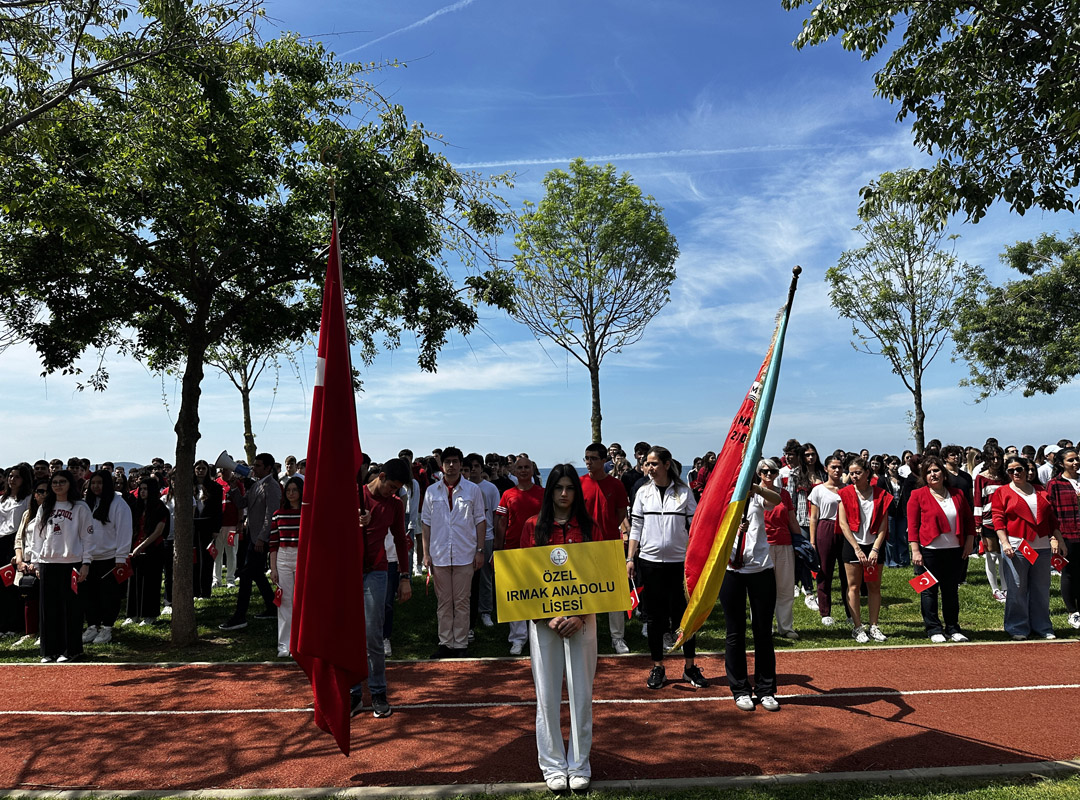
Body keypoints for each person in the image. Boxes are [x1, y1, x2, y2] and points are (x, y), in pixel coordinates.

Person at [519, 464, 597, 792]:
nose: (564, 494)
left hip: (584, 621)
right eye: (558, 488)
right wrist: (546, 616)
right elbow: (523, 576)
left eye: (570, 488)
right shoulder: (532, 527)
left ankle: (580, 763)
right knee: (547, 696)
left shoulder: (590, 527)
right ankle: (552, 765)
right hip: (543, 623)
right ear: (549, 491)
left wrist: (581, 615)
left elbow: (601, 577)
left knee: (581, 694)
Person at [627, 446, 705, 690]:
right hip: (649, 563)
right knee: (655, 619)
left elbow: (695, 528)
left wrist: (697, 559)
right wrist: (631, 558)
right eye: (646, 464)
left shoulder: (684, 492)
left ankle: (690, 667)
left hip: (680, 564)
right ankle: (658, 667)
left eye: (653, 463)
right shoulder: (642, 493)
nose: (649, 468)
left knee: (684, 616)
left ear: (666, 464)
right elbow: (636, 528)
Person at [350, 458, 413, 717]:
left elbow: (400, 539)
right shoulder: (354, 496)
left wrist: (405, 576)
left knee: (373, 635)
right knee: (350, 635)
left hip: (377, 571)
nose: (393, 492)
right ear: (382, 476)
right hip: (348, 571)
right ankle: (353, 693)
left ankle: (378, 692)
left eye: (398, 489)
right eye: (392, 487)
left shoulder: (395, 505)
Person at [721, 463, 782, 711]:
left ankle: (766, 689)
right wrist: (733, 527)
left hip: (761, 569)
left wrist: (754, 487)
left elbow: (776, 499)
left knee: (763, 631)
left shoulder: (757, 495)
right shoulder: (722, 495)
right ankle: (740, 689)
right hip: (731, 570)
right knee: (735, 632)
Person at [992, 455, 1068, 640]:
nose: (1016, 473)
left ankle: (1042, 626)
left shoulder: (1040, 491)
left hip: (1041, 547)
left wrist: (1059, 540)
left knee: (1041, 588)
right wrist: (1005, 542)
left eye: (1019, 469)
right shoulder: (1002, 492)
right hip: (1017, 546)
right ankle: (1017, 627)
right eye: (1011, 471)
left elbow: (1051, 519)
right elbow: (998, 520)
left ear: (1027, 470)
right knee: (1017, 587)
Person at [421, 447, 485, 657]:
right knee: (444, 602)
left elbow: (480, 521)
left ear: (460, 464)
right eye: (447, 461)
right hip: (439, 555)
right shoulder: (432, 491)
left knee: (462, 600)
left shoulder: (472, 490)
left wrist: (480, 551)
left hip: (465, 554)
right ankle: (445, 643)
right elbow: (426, 524)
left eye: (455, 461)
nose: (451, 465)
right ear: (442, 465)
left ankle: (461, 644)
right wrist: (426, 553)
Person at [24, 470, 93, 661]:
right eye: (55, 482)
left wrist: (86, 563)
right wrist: (36, 562)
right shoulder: (45, 506)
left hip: (72, 562)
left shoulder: (80, 507)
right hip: (48, 563)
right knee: (49, 610)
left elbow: (87, 537)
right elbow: (37, 538)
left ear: (70, 484)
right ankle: (49, 651)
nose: (58, 485)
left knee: (70, 610)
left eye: (62, 482)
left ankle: (69, 650)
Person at [907, 456, 976, 642]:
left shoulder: (958, 494)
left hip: (955, 550)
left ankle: (953, 628)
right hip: (928, 550)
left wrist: (969, 541)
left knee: (951, 591)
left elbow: (969, 520)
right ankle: (933, 629)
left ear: (943, 474)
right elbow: (913, 526)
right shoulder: (918, 495)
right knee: (928, 590)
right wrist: (915, 551)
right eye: (928, 472)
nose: (933, 474)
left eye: (936, 470)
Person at [220, 453, 281, 631]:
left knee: (246, 575)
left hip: (259, 539)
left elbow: (272, 515)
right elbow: (242, 503)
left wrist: (263, 537)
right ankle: (272, 607)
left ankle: (240, 616)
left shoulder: (272, 486)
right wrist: (233, 489)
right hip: (254, 538)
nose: (254, 468)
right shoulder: (257, 485)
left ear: (268, 468)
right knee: (256, 574)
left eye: (258, 465)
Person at [581, 442, 631, 654]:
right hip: (583, 547)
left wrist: (609, 528)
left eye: (593, 458)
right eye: (587, 458)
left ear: (604, 461)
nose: (589, 463)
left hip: (610, 545)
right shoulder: (579, 483)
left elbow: (621, 513)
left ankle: (617, 637)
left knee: (616, 594)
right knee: (584, 593)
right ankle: (585, 635)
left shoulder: (616, 485)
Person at [838, 457, 893, 643]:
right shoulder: (844, 493)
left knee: (874, 586)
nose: (854, 476)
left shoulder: (881, 494)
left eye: (858, 472)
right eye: (851, 473)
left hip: (874, 545)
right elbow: (843, 524)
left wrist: (875, 549)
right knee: (853, 586)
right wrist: (857, 549)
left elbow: (884, 526)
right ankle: (857, 627)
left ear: (867, 473)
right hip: (852, 545)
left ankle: (874, 626)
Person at [495, 455, 546, 655]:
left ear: (532, 470)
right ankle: (517, 639)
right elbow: (500, 522)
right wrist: (498, 550)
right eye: (520, 468)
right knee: (515, 596)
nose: (523, 471)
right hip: (512, 549)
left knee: (537, 593)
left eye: (527, 467)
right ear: (514, 471)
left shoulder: (543, 493)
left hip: (537, 550)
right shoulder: (507, 494)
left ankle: (538, 635)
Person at [81, 470, 133, 645]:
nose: (96, 486)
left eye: (100, 483)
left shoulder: (118, 504)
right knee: (89, 595)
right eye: (93, 483)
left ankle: (107, 627)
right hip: (88, 558)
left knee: (109, 595)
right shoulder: (85, 504)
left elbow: (125, 531)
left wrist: (121, 557)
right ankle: (92, 625)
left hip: (110, 558)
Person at [762, 459, 802, 640]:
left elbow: (792, 520)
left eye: (772, 471)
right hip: (762, 547)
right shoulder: (754, 493)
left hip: (784, 543)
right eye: (764, 471)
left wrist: (801, 543)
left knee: (785, 587)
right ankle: (763, 626)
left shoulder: (784, 495)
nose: (769, 474)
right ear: (759, 473)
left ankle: (785, 627)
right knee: (763, 589)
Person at [808, 455, 849, 626]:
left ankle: (850, 611)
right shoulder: (818, 490)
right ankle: (825, 611)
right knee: (825, 571)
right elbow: (814, 517)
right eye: (833, 467)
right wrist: (812, 540)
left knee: (847, 572)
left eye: (840, 467)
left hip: (845, 529)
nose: (837, 470)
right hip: (825, 528)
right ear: (826, 469)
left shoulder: (847, 488)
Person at [126, 477, 169, 625]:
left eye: (145, 489)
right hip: (134, 549)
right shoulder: (135, 507)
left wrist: (141, 546)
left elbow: (158, 531)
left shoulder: (160, 508)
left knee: (151, 583)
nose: (142, 492)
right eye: (141, 489)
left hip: (153, 550)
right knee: (134, 582)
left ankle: (150, 615)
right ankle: (133, 614)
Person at [269, 476, 303, 658]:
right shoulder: (278, 514)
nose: (291, 494)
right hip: (283, 557)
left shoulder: (307, 513)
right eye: (288, 490)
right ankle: (284, 645)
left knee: (302, 602)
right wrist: (273, 568)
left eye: (294, 490)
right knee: (285, 603)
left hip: (301, 557)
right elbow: (273, 543)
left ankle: (301, 643)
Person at [1046, 447, 1080, 628]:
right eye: (1071, 460)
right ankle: (1072, 611)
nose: (1075, 463)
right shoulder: (1055, 484)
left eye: (1077, 459)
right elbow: (1050, 512)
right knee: (1069, 573)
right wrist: (1054, 537)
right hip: (1066, 533)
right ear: (1061, 463)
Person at [0, 463, 32, 635]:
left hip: (15, 542)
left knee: (13, 585)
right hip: (0, 541)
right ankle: (3, 624)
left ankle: (15, 625)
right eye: (10, 476)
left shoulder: (27, 499)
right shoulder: (2, 499)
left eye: (17, 476)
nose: (12, 479)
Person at [974, 445, 1009, 602]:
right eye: (992, 458)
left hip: (1005, 521)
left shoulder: (1005, 477)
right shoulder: (981, 478)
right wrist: (977, 523)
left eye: (998, 458)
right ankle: (995, 588)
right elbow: (977, 501)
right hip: (987, 521)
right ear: (986, 460)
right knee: (991, 555)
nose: (996, 461)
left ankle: (1006, 588)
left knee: (1004, 556)